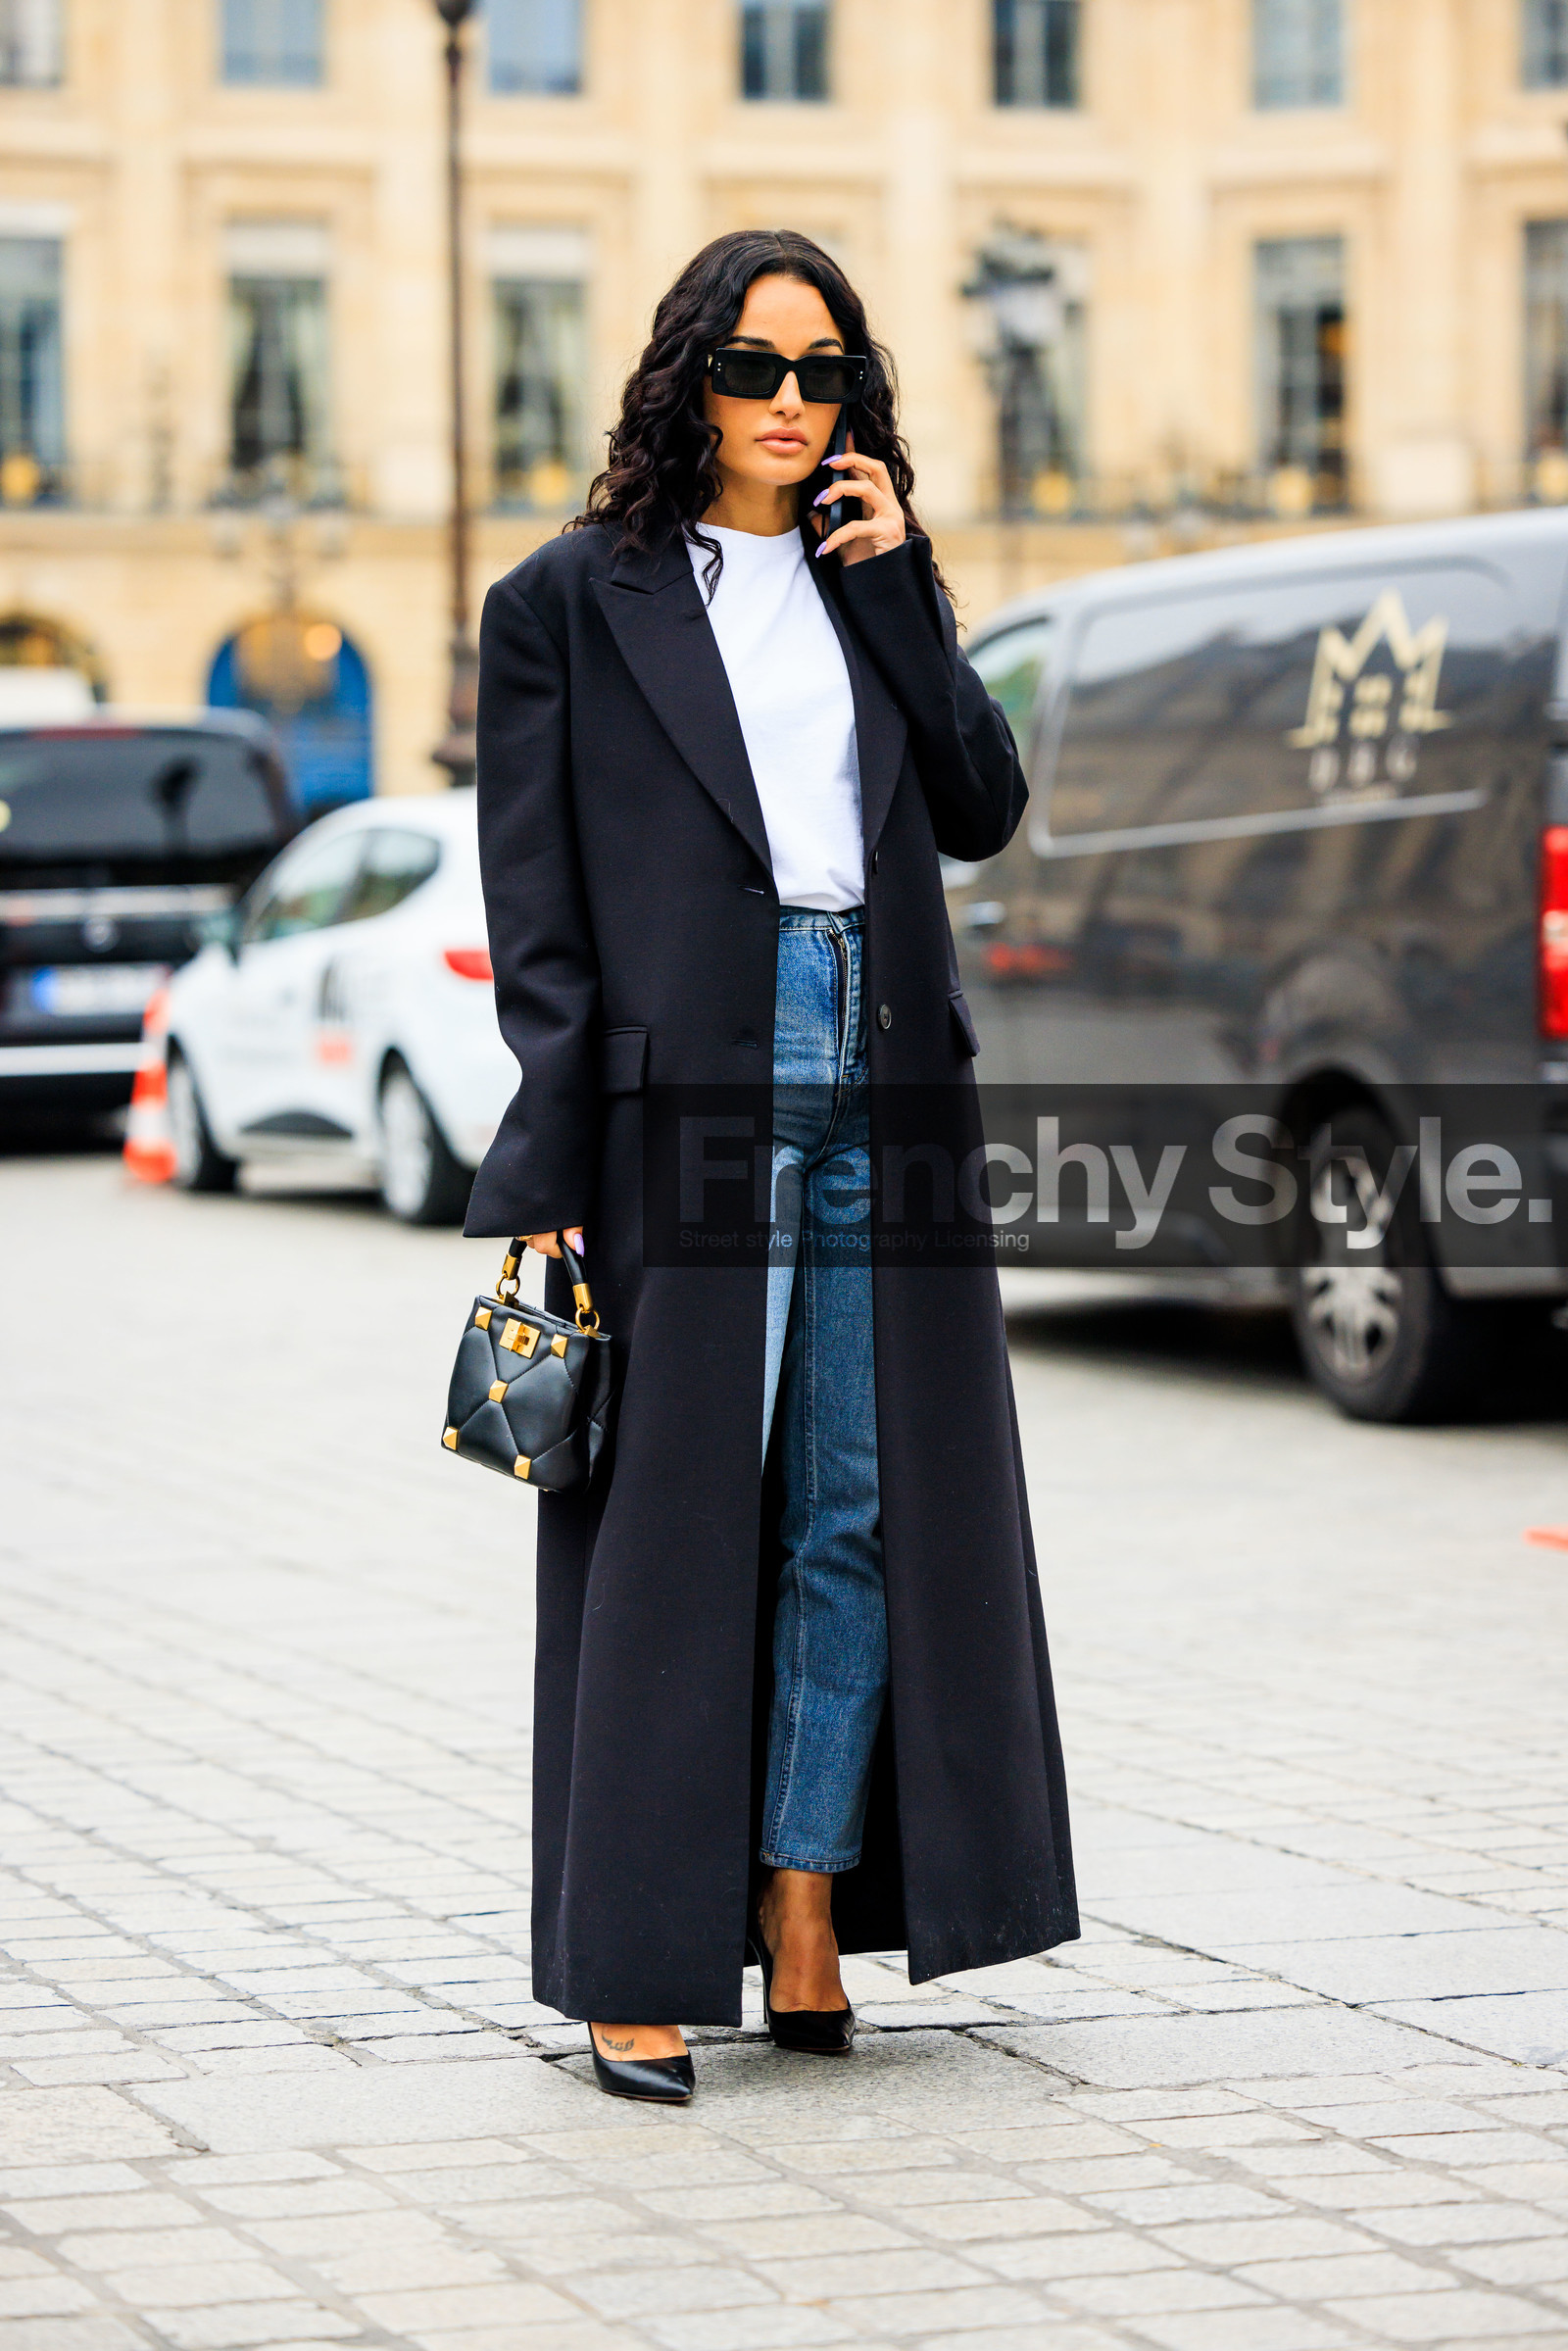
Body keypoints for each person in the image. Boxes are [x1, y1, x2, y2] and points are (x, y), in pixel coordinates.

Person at [466, 227, 1077, 2104]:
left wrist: (901, 595)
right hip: (688, 1094)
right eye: (757, 369)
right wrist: (555, 1142)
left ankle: (804, 1900)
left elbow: (981, 808)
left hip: (884, 1064)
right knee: (671, 1521)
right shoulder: (569, 602)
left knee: (854, 1503)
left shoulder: (869, 577)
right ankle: (635, 1959)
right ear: (687, 380)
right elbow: (538, 908)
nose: (792, 407)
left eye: (825, 375)